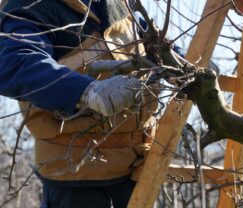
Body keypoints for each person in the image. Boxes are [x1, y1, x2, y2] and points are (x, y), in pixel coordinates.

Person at [0, 0, 156, 207]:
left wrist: (186, 62)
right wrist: (87, 92)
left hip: (137, 167)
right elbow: (16, 62)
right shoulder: (29, 6)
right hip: (77, 176)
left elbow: (150, 38)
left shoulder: (114, 2)